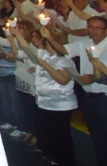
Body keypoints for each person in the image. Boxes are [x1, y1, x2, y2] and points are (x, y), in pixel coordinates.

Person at [41, 16, 107, 166]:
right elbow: (63, 49)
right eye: (91, 27)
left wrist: (94, 78)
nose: (94, 31)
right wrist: (49, 37)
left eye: (98, 28)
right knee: (97, 138)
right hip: (89, 97)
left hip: (104, 96)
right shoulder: (84, 43)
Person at [15, 26, 77, 166]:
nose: (42, 43)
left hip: (60, 105)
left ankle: (65, 161)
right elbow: (26, 48)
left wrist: (47, 66)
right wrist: (15, 33)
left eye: (45, 41)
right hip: (43, 103)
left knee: (61, 138)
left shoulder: (64, 60)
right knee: (47, 136)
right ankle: (52, 159)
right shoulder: (43, 55)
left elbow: (63, 80)